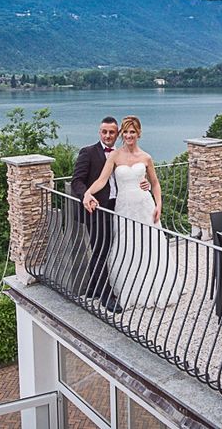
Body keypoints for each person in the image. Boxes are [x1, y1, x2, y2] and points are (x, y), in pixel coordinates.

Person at [82, 116, 181, 309]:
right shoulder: (115, 156)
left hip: (145, 205)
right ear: (122, 134)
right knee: (127, 246)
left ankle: (154, 288)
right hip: (124, 207)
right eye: (125, 132)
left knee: (149, 245)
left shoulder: (146, 157)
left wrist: (159, 205)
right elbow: (102, 180)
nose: (128, 135)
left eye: (132, 132)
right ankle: (129, 287)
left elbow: (155, 183)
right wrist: (87, 193)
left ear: (138, 134)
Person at [70, 116, 126, 313]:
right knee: (101, 249)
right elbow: (77, 181)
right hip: (96, 209)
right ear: (99, 132)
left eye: (112, 132)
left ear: (117, 134)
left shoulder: (121, 154)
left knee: (109, 248)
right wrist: (86, 196)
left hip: (118, 206)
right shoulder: (88, 152)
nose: (108, 135)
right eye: (105, 132)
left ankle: (94, 287)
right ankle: (106, 295)